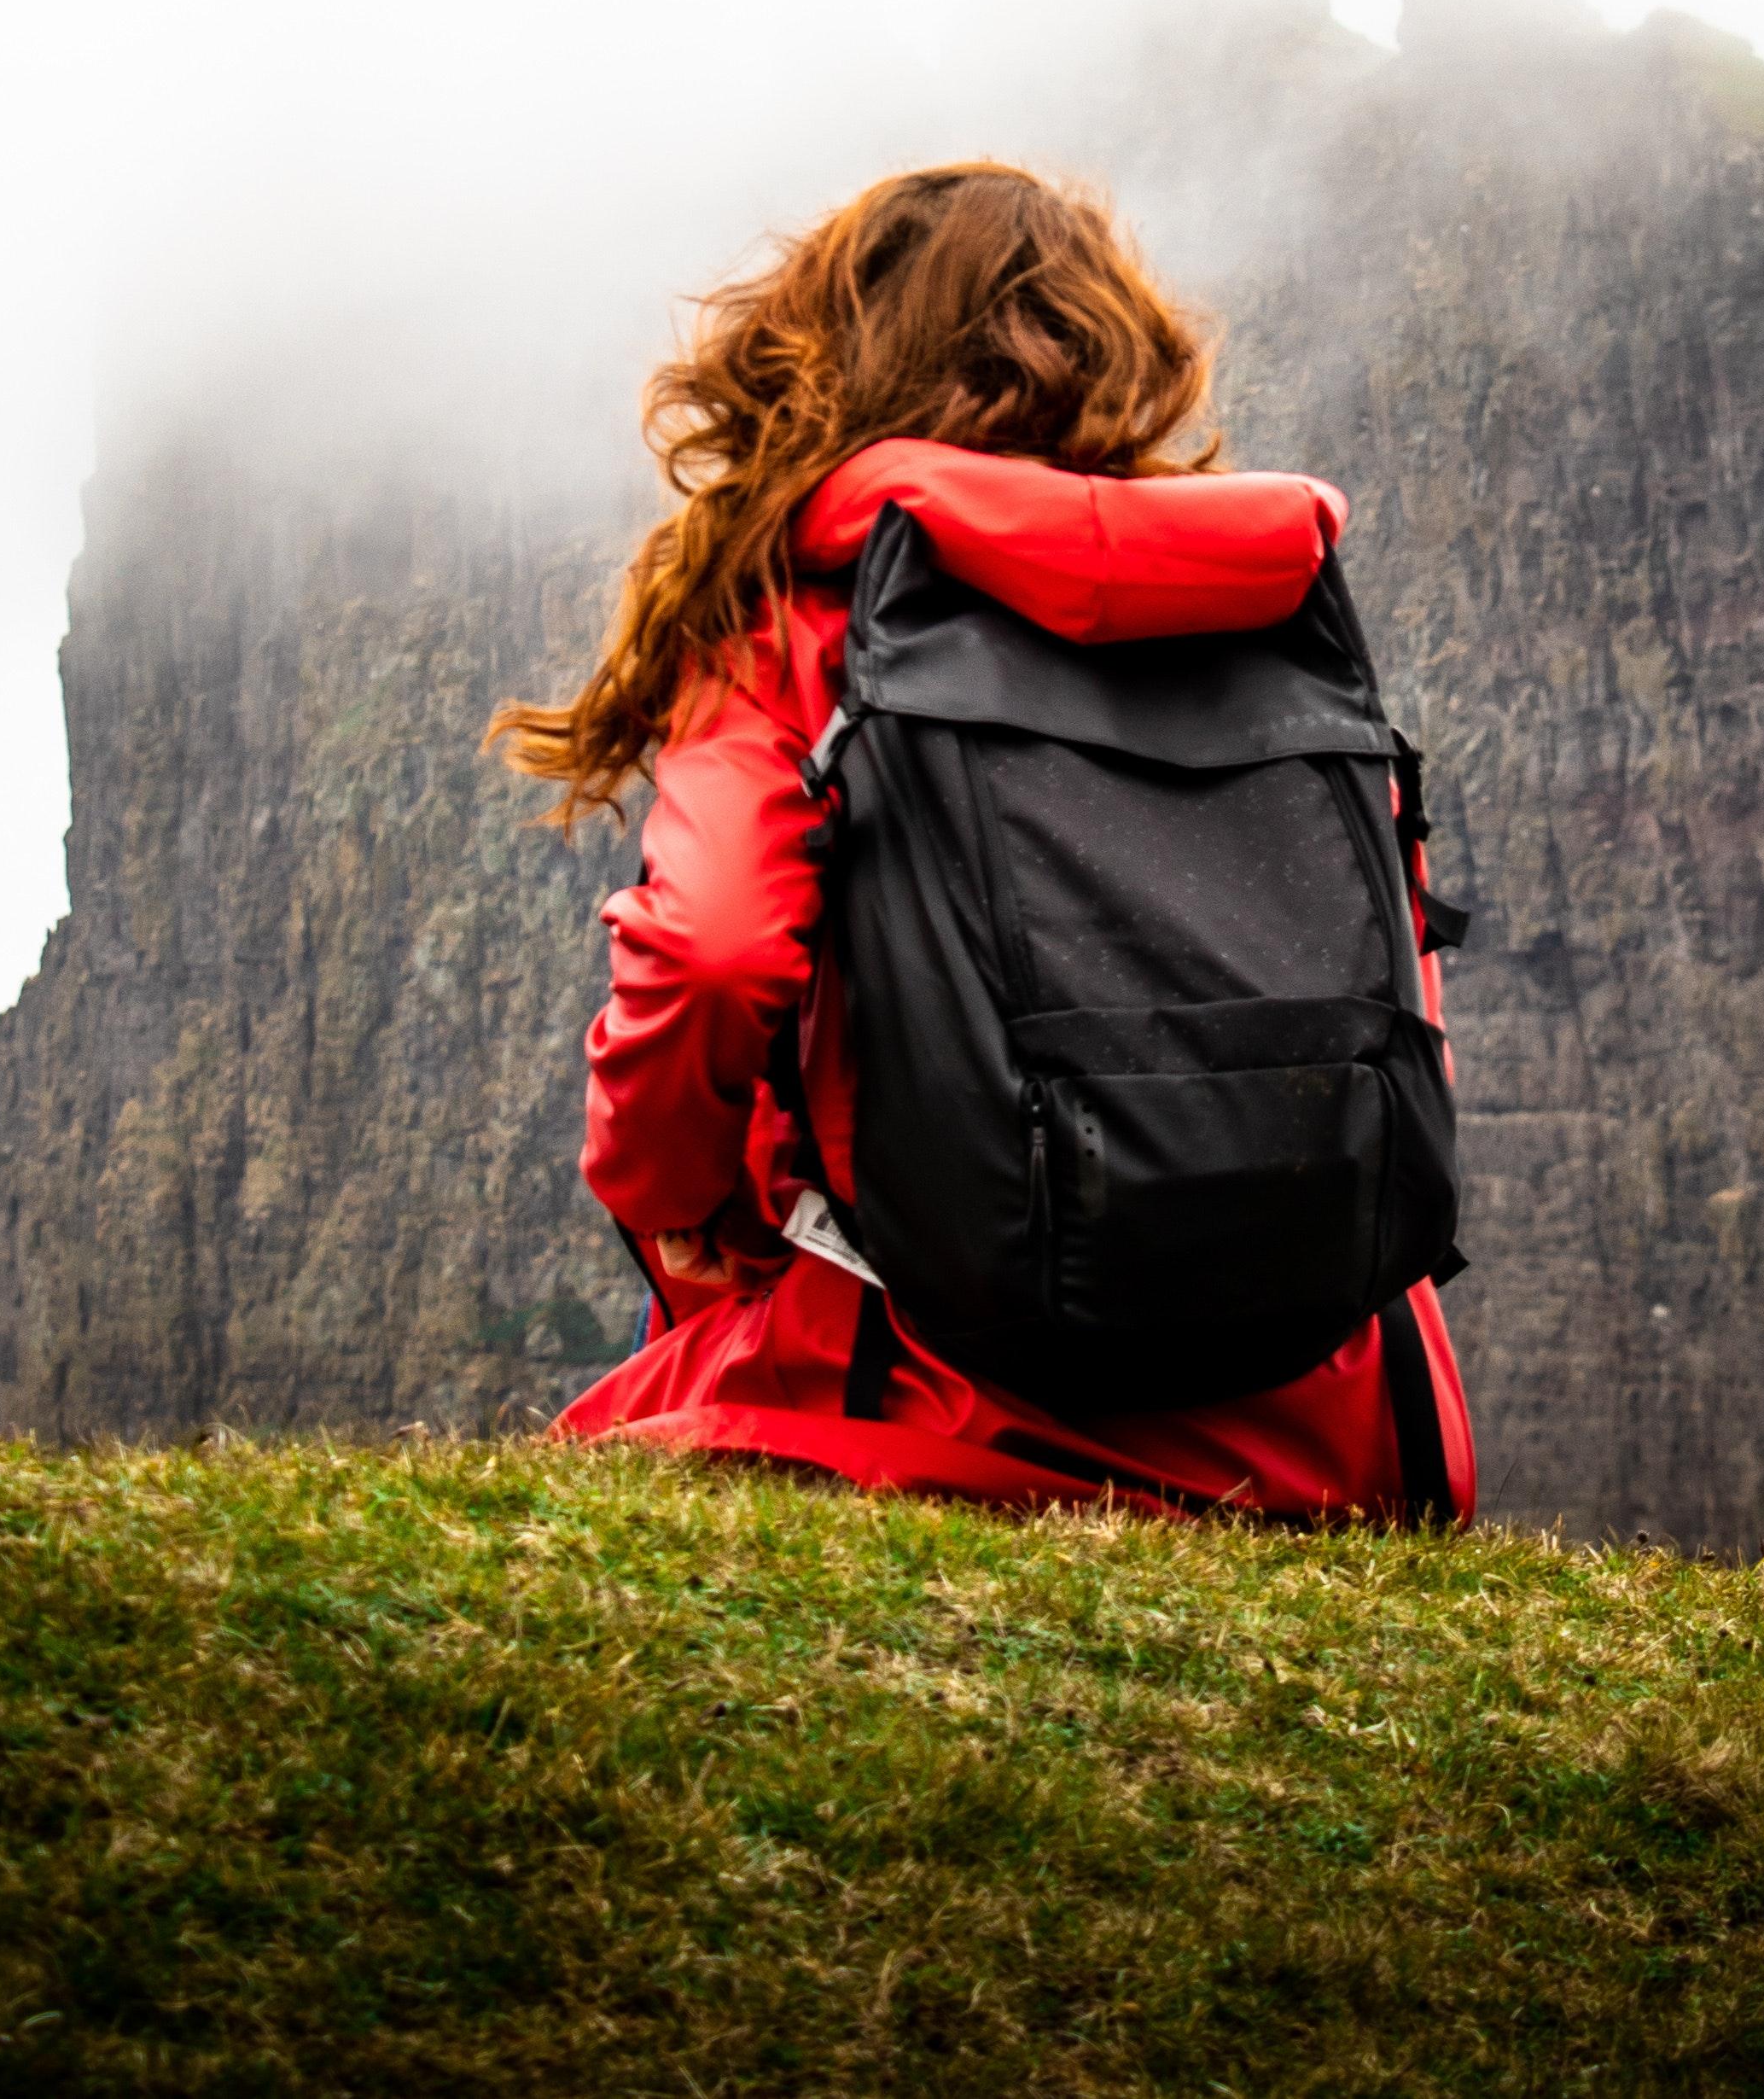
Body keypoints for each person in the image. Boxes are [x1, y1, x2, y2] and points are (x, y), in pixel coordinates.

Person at [493, 160, 1475, 1519]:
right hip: (1326, 1422)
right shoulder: (1269, 611)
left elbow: (712, 953)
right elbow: (1393, 984)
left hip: (939, 1393)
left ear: (829, 360)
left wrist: (670, 1199)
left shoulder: (808, 620)